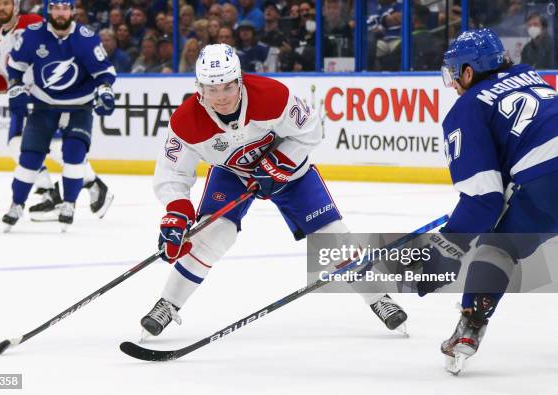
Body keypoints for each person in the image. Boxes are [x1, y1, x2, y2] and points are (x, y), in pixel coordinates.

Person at [140, 43, 408, 337]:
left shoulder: (272, 95)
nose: (220, 97)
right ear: (199, 86)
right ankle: (168, 304)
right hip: (233, 174)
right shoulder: (186, 120)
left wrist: (278, 164)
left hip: (291, 171)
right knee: (211, 235)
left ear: (239, 80)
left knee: (331, 236)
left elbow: (312, 129)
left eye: (227, 87)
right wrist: (177, 213)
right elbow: (173, 172)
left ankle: (379, 298)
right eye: (211, 89)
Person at [422, 28, 558, 374]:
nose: (452, 83)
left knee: (499, 244)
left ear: (468, 71)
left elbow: (484, 200)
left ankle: (470, 328)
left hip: (549, 182)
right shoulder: (531, 76)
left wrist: (448, 247)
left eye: (454, 74)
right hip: (545, 174)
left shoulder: (466, 107)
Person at [0, 0, 114, 223]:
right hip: (30, 99)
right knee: (20, 146)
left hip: (49, 97)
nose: (2, 8)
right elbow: (8, 75)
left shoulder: (33, 23)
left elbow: (55, 50)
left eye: (6, 3)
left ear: (15, 6)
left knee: (59, 147)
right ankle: (55, 193)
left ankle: (84, 187)